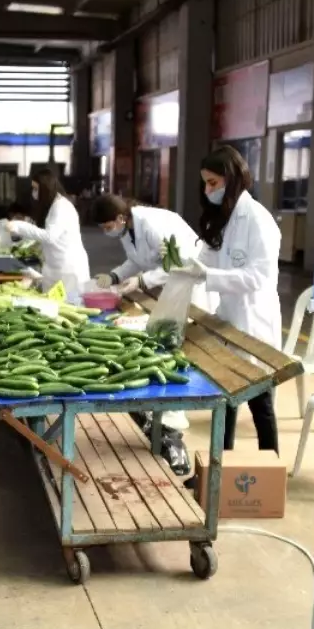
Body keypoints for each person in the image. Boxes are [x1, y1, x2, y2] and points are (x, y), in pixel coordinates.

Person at [90, 193, 216, 475]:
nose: (106, 231)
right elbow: (135, 260)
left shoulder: (152, 224)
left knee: (178, 350)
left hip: (189, 285)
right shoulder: (130, 229)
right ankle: (163, 416)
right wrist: (114, 276)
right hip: (172, 288)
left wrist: (142, 281)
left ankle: (173, 421)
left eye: (107, 225)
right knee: (167, 345)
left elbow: (176, 263)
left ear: (121, 218)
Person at [172, 146, 282, 459]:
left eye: (213, 184)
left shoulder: (258, 221)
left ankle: (268, 469)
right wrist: (185, 269)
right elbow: (205, 257)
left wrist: (208, 276)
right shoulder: (226, 217)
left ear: (231, 181)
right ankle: (221, 465)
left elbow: (256, 278)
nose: (208, 191)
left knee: (260, 401)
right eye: (205, 184)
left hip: (254, 324)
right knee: (227, 397)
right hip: (230, 319)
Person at [5, 168, 90, 301]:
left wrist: (20, 226)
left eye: (36, 188)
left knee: (70, 309)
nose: (34, 193)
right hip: (56, 267)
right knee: (54, 308)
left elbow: (50, 236)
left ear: (45, 188)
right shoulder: (53, 205)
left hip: (68, 269)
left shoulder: (61, 206)